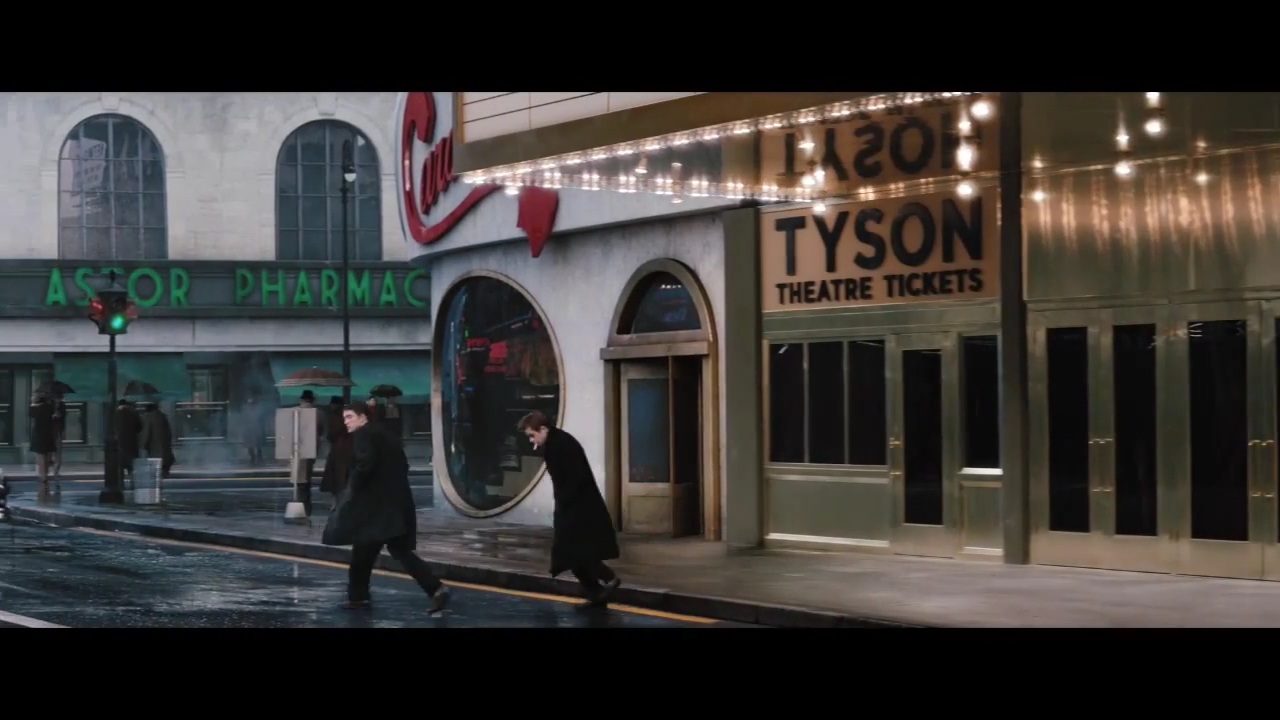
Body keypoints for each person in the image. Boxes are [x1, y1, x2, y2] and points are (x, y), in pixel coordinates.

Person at [324, 402, 449, 612]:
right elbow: (403, 465)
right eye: (344, 418)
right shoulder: (387, 435)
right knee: (394, 551)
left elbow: (365, 465)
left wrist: (351, 491)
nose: (346, 422)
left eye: (350, 417)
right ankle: (435, 588)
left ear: (363, 417)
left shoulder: (363, 435)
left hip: (374, 509)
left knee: (364, 553)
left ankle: (358, 597)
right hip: (395, 504)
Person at [517, 411, 621, 609]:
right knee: (574, 553)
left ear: (543, 429)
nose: (531, 440)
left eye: (532, 435)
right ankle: (598, 591)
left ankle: (605, 580)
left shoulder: (559, 445)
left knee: (573, 552)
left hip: (578, 508)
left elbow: (571, 479)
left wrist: (563, 505)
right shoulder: (556, 443)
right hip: (575, 506)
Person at [320, 395, 351, 509]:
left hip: (337, 449)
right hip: (347, 449)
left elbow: (331, 434)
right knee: (344, 477)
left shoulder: (334, 416)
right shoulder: (348, 416)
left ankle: (337, 502)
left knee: (336, 478)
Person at [138, 402, 175, 479]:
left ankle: (158, 473)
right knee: (163, 456)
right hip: (163, 443)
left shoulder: (147, 417)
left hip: (153, 444)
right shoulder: (162, 416)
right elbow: (169, 432)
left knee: (155, 458)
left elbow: (146, 432)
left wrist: (143, 443)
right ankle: (164, 471)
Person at [28, 392, 57, 488]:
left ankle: (42, 475)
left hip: (38, 433)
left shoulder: (35, 407)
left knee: (40, 455)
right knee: (47, 454)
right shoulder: (49, 407)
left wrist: (33, 404)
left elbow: (31, 415)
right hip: (48, 432)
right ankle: (46, 473)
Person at [116, 400, 143, 486]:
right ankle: (132, 483)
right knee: (131, 466)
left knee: (120, 467)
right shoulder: (134, 414)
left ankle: (121, 484)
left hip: (119, 445)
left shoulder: (115, 415)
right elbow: (140, 428)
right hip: (132, 444)